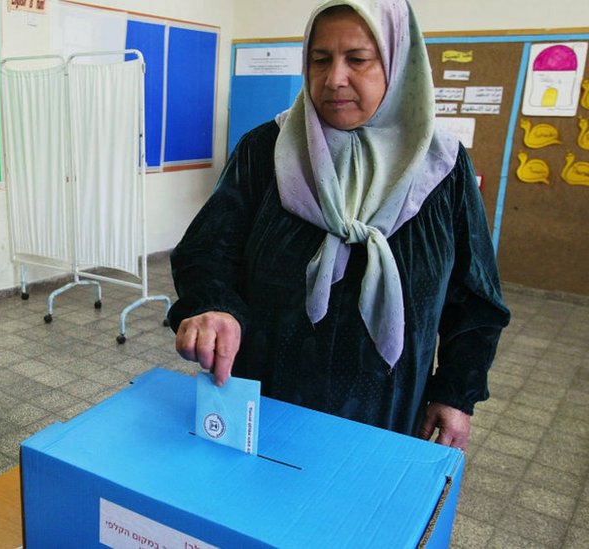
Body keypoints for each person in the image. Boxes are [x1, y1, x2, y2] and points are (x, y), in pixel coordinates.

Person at [169, 0, 510, 451]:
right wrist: (214, 306)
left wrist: (455, 393)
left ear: (397, 63)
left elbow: (475, 297)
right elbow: (207, 251)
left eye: (358, 59)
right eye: (320, 59)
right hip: (264, 402)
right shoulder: (265, 151)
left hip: (385, 414)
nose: (334, 79)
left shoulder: (442, 168)